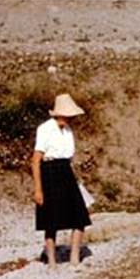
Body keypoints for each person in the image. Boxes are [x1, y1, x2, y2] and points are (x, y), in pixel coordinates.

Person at [31, 93, 91, 266]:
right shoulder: (45, 129)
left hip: (66, 171)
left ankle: (74, 256)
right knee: (51, 220)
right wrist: (38, 189)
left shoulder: (68, 131)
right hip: (49, 171)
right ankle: (52, 260)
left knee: (80, 216)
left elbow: (68, 158)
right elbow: (35, 160)